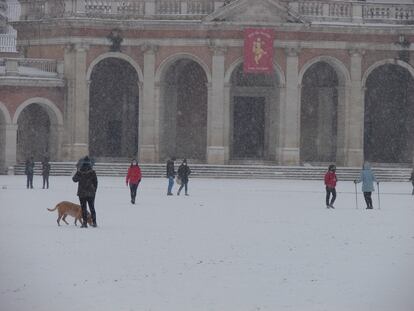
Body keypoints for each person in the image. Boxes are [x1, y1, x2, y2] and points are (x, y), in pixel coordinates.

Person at [72, 156, 98, 228]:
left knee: (83, 208)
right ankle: (94, 222)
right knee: (92, 207)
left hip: (82, 192)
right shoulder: (92, 172)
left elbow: (74, 179)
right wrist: (94, 190)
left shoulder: (80, 171)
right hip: (91, 193)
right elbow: (96, 182)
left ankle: (84, 222)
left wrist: (78, 175)